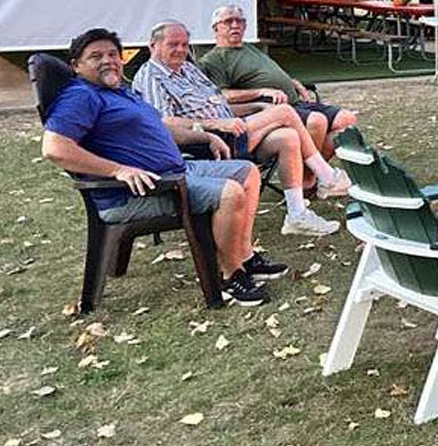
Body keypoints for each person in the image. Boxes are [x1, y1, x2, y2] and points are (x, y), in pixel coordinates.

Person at [41, 27, 279, 306]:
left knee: (247, 172)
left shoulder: (120, 93)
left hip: (177, 171)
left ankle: (244, 256)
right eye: (96, 56)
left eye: (113, 54)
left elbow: (164, 128)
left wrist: (204, 135)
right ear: (76, 66)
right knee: (230, 193)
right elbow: (54, 148)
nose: (108, 60)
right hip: (145, 190)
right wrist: (118, 170)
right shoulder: (81, 96)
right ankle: (230, 276)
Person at [134, 20, 347, 236]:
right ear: (153, 45)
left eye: (184, 44)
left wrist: (257, 106)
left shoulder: (188, 69)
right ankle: (328, 177)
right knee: (284, 113)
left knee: (287, 136)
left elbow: (220, 105)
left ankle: (296, 214)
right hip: (205, 143)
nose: (180, 50)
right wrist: (214, 124)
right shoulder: (151, 76)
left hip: (233, 132)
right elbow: (163, 121)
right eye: (173, 44)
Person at [197, 4, 359, 158]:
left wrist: (292, 82)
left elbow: (268, 73)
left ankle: (314, 176)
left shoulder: (250, 48)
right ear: (216, 28)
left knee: (346, 120)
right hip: (270, 110)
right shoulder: (214, 60)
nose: (235, 25)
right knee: (317, 121)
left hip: (296, 103)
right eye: (228, 21)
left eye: (240, 21)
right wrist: (261, 91)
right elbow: (221, 96)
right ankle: (310, 180)